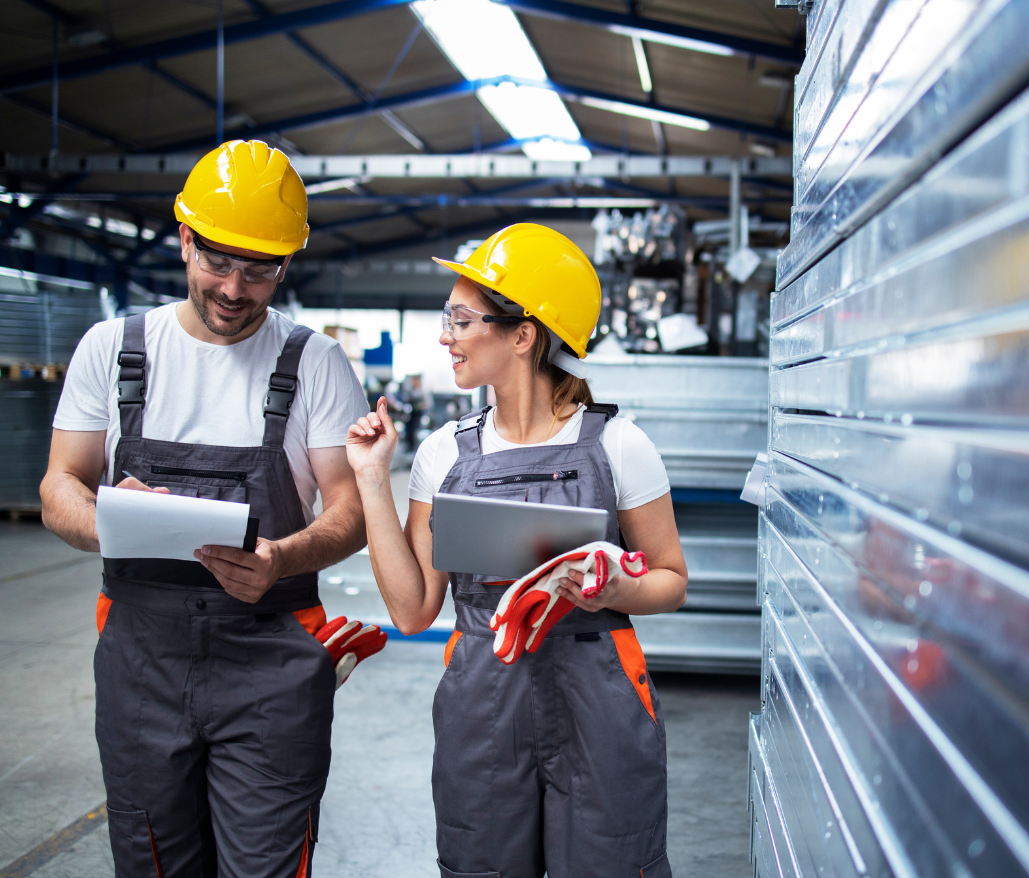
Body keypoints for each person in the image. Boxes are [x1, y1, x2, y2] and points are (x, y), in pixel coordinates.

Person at [40, 140, 375, 878]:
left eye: (260, 270)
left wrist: (282, 558)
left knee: (265, 865)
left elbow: (349, 509)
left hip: (271, 665)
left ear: (287, 264)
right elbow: (59, 483)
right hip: (141, 661)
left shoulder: (312, 362)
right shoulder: (115, 349)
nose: (234, 288)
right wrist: (108, 520)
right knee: (153, 859)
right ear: (185, 239)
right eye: (219, 262)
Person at [346, 223, 688, 878]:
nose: (446, 336)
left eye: (461, 319)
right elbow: (415, 610)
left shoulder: (620, 446)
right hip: (483, 702)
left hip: (601, 695)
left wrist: (618, 589)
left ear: (522, 334)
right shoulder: (444, 453)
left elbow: (671, 579)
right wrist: (370, 477)